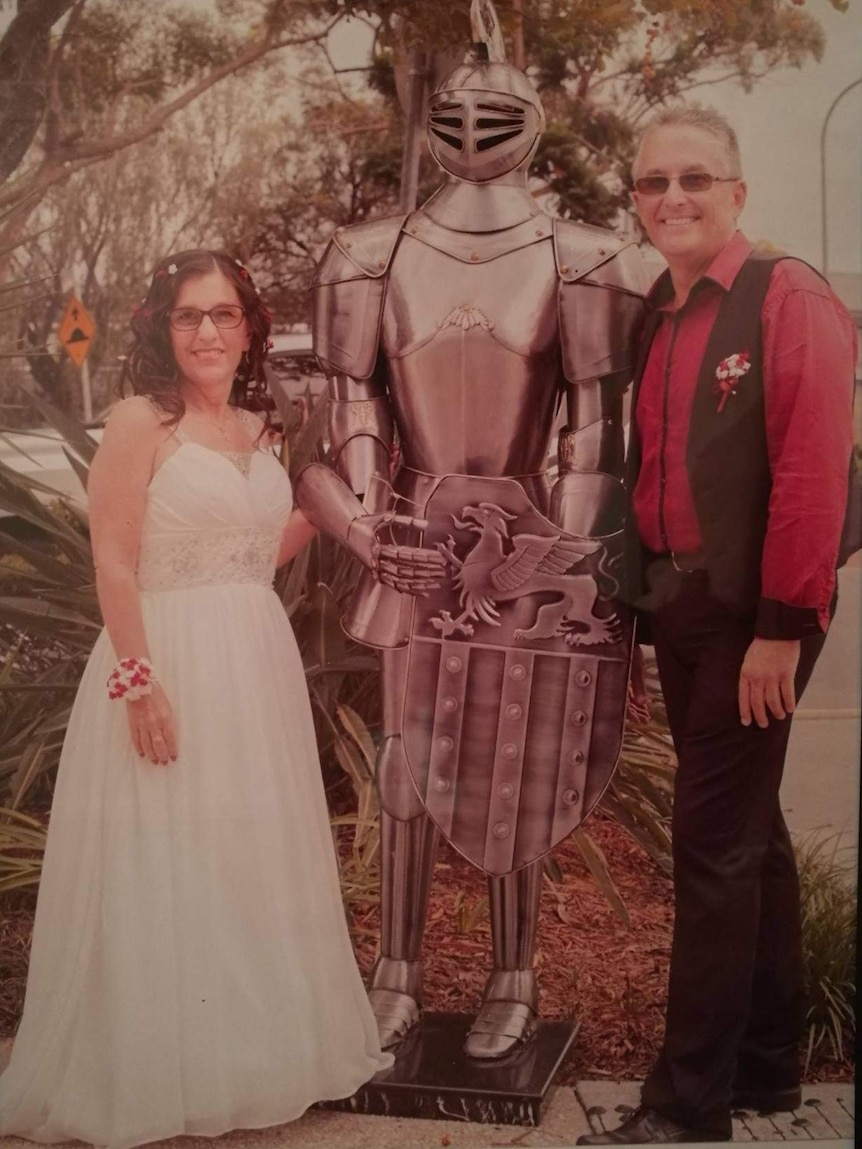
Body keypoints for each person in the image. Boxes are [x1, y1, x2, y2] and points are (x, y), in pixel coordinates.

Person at [294, 41, 648, 1061]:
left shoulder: (582, 252)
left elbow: (593, 423)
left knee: (521, 760)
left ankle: (514, 978)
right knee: (405, 764)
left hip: (527, 536)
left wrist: (571, 555)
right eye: (456, 110)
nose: (474, 126)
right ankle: (394, 974)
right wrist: (371, 522)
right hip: (411, 534)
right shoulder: (367, 251)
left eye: (498, 111)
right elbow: (348, 400)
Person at [0, 250, 392, 1149]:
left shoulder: (261, 430)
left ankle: (247, 1058)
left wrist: (343, 498)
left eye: (223, 315)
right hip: (164, 658)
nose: (207, 332)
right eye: (188, 317)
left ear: (248, 328)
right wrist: (139, 683)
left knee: (237, 850)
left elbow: (258, 551)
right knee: (165, 852)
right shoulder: (142, 421)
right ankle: (155, 1067)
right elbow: (113, 559)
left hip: (252, 662)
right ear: (162, 330)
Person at [578, 106, 857, 1145]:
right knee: (750, 840)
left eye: (695, 179)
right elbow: (653, 473)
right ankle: (768, 1068)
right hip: (684, 610)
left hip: (757, 618)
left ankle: (686, 1107)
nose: (672, 199)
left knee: (709, 848)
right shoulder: (660, 307)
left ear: (736, 193)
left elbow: (814, 478)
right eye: (652, 184)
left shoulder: (788, 298)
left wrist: (781, 629)